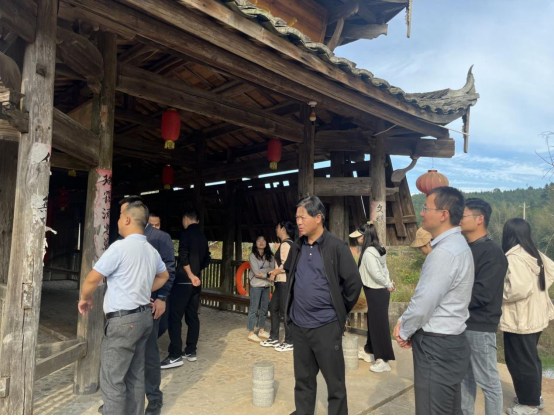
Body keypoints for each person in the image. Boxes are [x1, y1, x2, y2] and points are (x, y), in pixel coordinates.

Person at [78, 200, 169, 416]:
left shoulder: (119, 247)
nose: (118, 221)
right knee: (135, 375)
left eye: (120, 217)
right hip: (144, 318)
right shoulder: (151, 250)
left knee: (112, 379)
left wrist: (84, 298)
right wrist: (143, 289)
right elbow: (164, 276)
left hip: (122, 322)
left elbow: (92, 278)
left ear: (127, 219)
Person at [394, 187, 474, 415]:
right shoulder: (459, 246)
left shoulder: (444, 253)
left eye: (425, 208)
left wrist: (404, 329)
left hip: (436, 347)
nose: (421, 213)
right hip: (451, 341)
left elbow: (424, 304)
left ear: (443, 214)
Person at [285, 196, 362, 416]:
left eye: (302, 217)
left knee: (335, 383)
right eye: (297, 217)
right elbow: (291, 276)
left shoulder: (336, 247)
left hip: (326, 326)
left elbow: (353, 283)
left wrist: (338, 310)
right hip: (300, 326)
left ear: (318, 218)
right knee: (303, 380)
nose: (298, 222)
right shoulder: (297, 247)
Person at [459, 198, 508, 416]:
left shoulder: (492, 252)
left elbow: (482, 295)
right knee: (465, 379)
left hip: (480, 325)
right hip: (462, 322)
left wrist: (452, 301)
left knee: (488, 382)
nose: (459, 219)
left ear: (480, 219)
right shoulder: (466, 248)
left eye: (463, 215)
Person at [501, 218, 554, 416]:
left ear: (508, 234)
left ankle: (529, 404)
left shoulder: (514, 257)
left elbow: (519, 289)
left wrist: (497, 293)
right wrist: (539, 290)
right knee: (530, 359)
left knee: (520, 361)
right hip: (536, 315)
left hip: (521, 318)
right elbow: (551, 271)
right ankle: (533, 397)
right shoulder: (535, 254)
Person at [162, 209, 211, 369]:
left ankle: (175, 354)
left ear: (186, 219)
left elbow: (183, 257)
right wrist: (196, 274)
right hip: (196, 282)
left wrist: (190, 274)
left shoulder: (186, 233)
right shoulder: (203, 237)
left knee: (174, 317)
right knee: (192, 316)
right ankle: (191, 351)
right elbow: (207, 259)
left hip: (184, 280)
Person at [350, 222, 396, 374]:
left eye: (359, 237)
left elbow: (376, 274)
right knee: (374, 322)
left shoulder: (368, 253)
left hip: (376, 291)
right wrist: (388, 283)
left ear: (364, 237)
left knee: (379, 325)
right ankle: (369, 350)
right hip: (379, 291)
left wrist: (388, 284)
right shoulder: (377, 249)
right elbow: (384, 269)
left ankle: (383, 359)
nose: (357, 239)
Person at [262, 221, 295, 352]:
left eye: (277, 227)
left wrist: (275, 272)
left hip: (285, 282)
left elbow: (286, 264)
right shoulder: (288, 243)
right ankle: (274, 337)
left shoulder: (286, 244)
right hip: (281, 282)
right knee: (273, 307)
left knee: (285, 311)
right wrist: (274, 272)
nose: (276, 229)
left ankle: (290, 341)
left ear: (283, 229)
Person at [247, 236, 275, 343]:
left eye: (263, 240)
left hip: (266, 285)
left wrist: (263, 272)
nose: (261, 242)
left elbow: (272, 269)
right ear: (255, 243)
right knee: (253, 309)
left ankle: (261, 330)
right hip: (256, 285)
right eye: (258, 240)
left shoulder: (270, 256)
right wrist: (267, 273)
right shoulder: (252, 256)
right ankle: (251, 332)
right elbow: (256, 272)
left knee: (264, 308)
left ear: (266, 242)